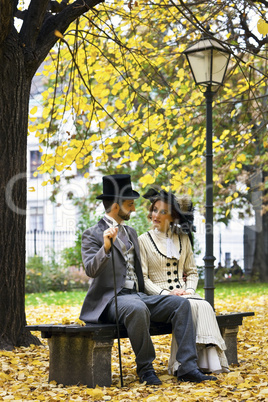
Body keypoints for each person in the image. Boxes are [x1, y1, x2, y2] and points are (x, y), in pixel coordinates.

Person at [79, 174, 217, 385]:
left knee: (181, 305)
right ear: (117, 206)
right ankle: (145, 369)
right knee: (137, 308)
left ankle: (187, 367)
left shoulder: (132, 232)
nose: (134, 209)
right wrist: (106, 247)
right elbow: (90, 270)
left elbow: (143, 272)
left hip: (137, 295)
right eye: (130, 204)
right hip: (112, 301)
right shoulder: (92, 234)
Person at [138, 188, 229, 375]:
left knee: (204, 306)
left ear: (172, 216)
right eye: (155, 210)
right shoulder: (143, 241)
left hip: (184, 293)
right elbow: (144, 279)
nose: (157, 215)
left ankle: (207, 363)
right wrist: (166, 293)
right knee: (190, 306)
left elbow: (192, 272)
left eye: (163, 212)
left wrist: (188, 291)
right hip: (161, 297)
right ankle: (183, 365)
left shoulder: (183, 238)